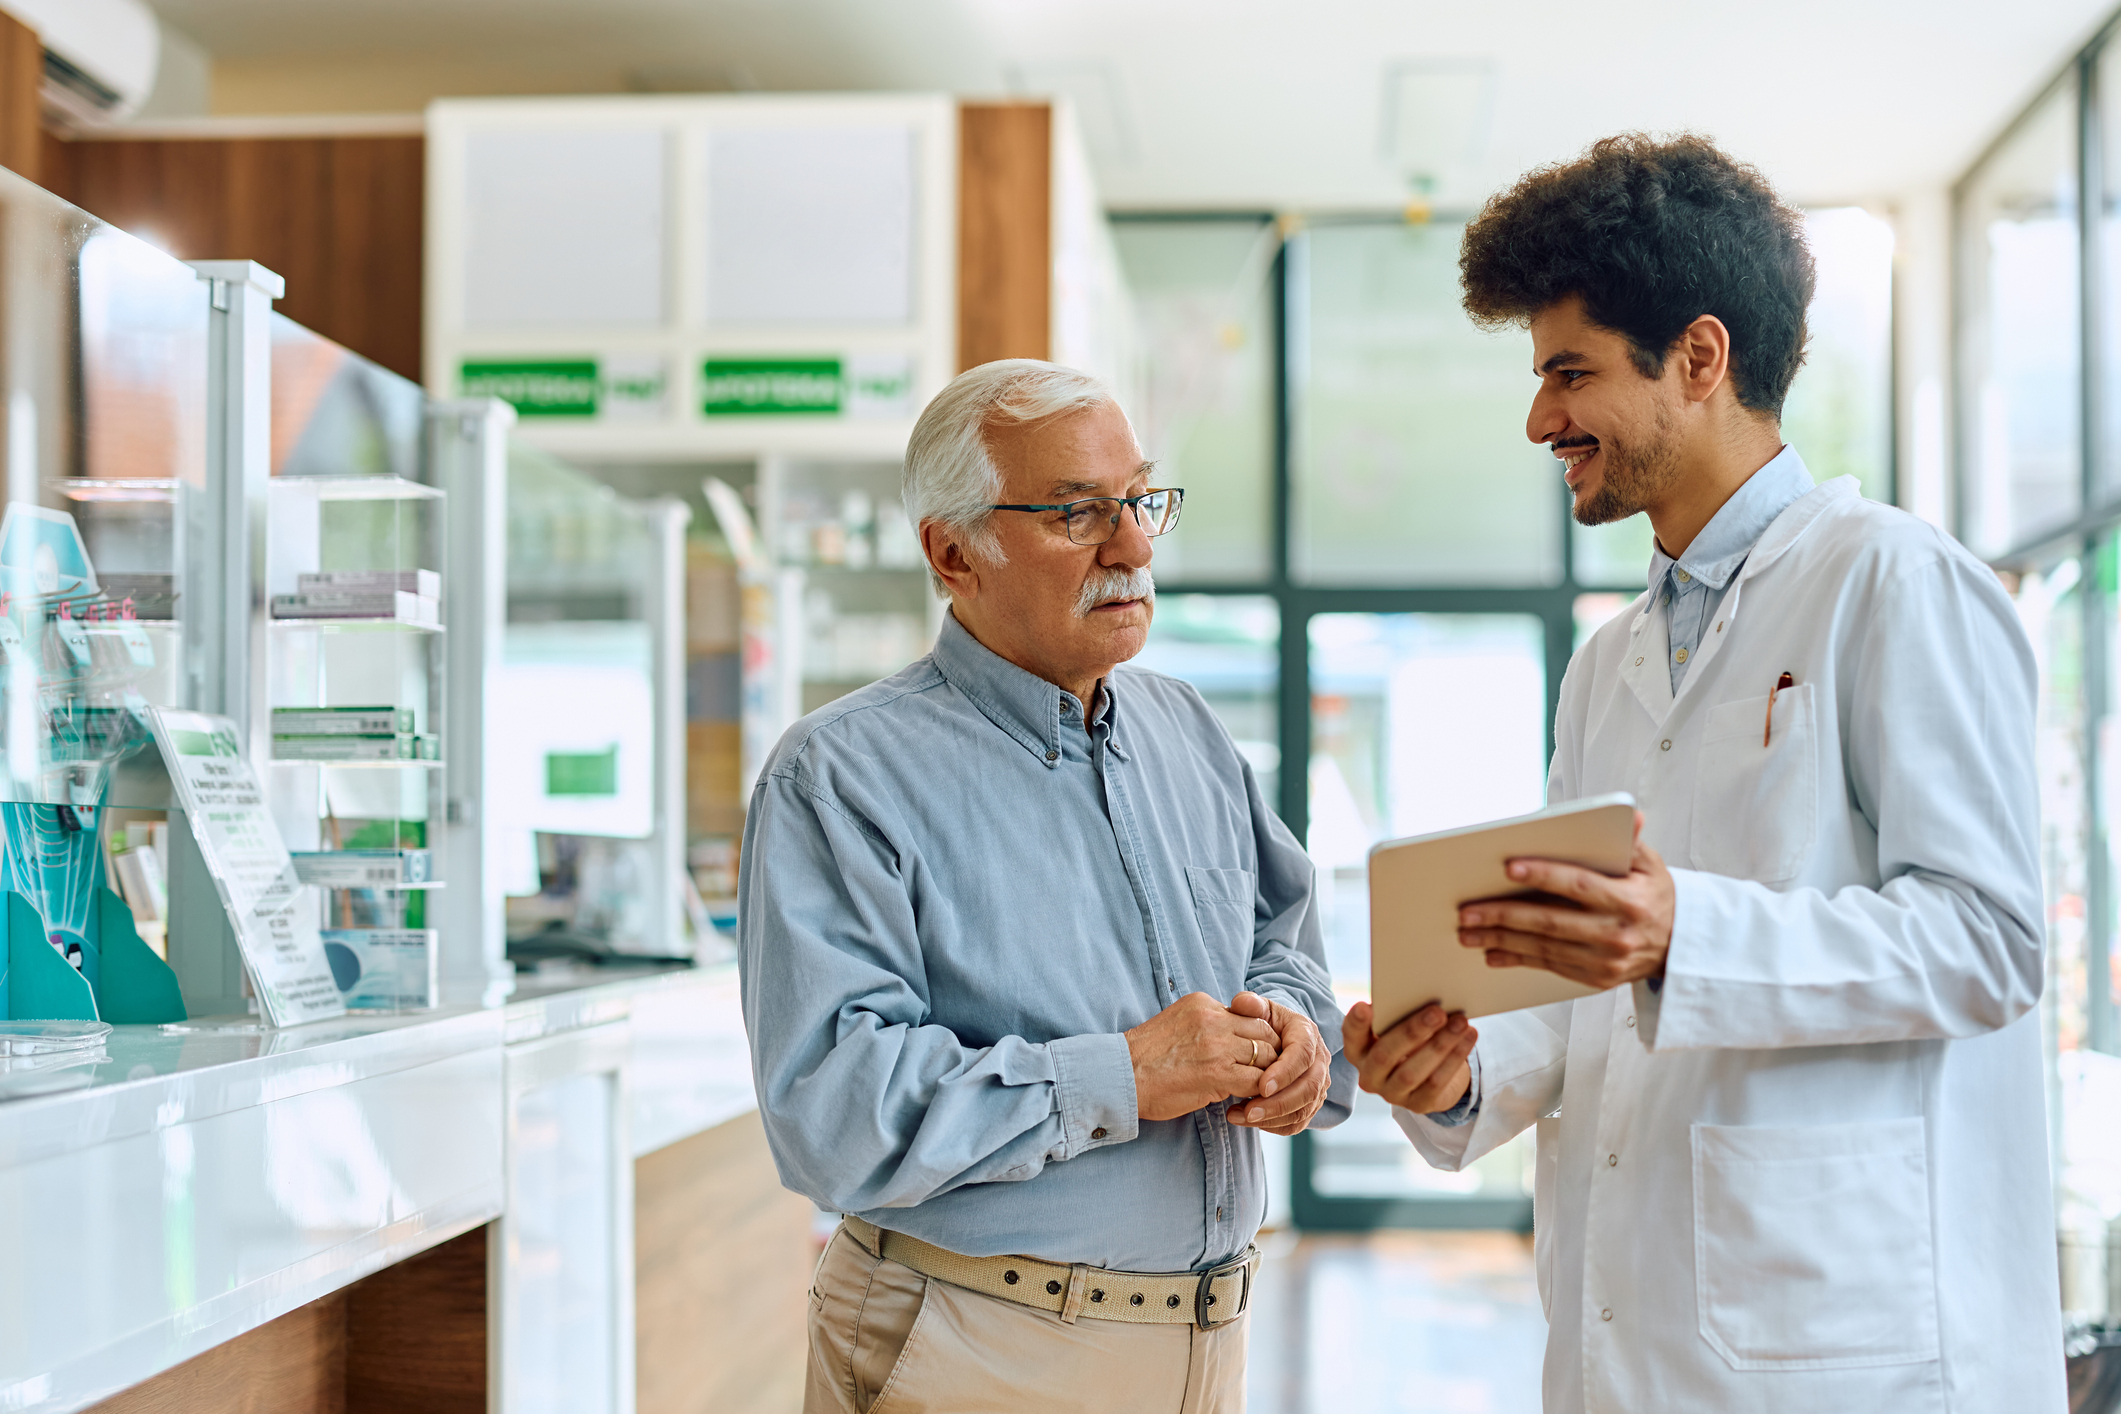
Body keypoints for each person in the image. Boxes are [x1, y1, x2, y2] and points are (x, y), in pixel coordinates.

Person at [1346, 134, 2064, 1413]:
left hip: (1848, 1339)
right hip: (1631, 1340)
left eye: (1568, 372)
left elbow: (1993, 939)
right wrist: (1457, 1073)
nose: (1537, 420)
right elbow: (1581, 996)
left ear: (1699, 358)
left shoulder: (1894, 582)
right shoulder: (1605, 663)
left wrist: (1689, 932)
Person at [740, 358, 1354, 1414]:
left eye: (1138, 500)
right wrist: (1122, 1074)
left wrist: (1295, 1037)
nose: (1134, 546)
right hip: (983, 1344)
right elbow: (835, 1112)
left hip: (1209, 1342)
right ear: (952, 552)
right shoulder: (839, 775)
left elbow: (1280, 939)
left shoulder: (1187, 732)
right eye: (1078, 513)